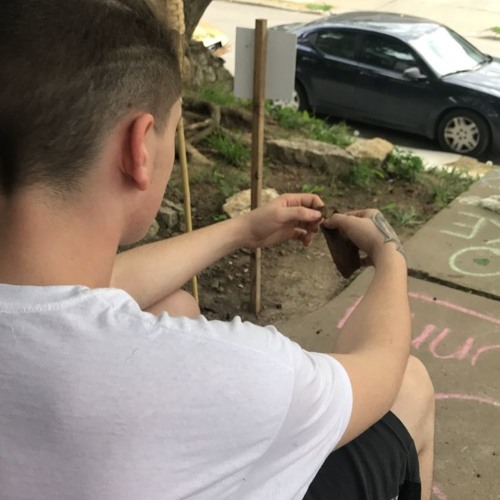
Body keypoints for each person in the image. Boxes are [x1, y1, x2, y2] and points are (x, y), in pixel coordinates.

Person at [0, 1, 435, 499]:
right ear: (137, 148)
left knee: (176, 304)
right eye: (173, 128)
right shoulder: (240, 372)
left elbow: (79, 295)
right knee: (412, 385)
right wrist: (389, 258)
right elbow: (380, 366)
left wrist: (242, 230)